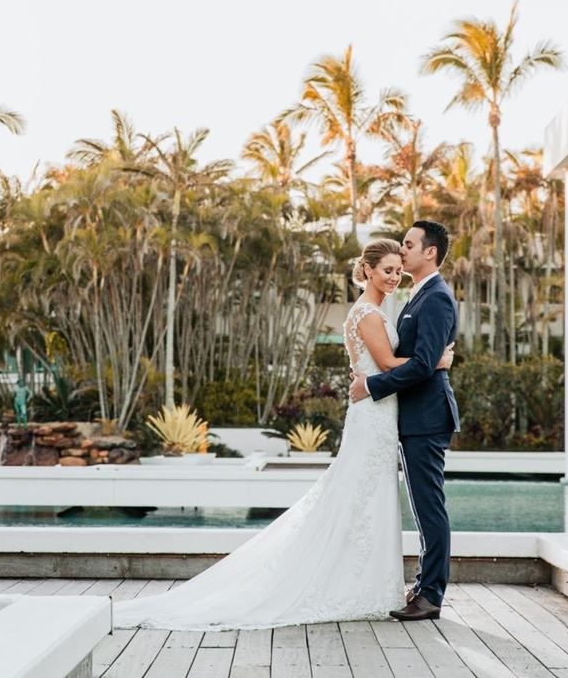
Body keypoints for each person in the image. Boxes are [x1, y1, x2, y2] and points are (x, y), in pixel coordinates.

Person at [113, 238, 453, 631]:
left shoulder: (373, 310)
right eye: (388, 270)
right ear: (369, 270)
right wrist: (437, 360)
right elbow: (390, 362)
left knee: (364, 500)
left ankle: (364, 582)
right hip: (373, 417)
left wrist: (384, 375)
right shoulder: (368, 314)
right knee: (360, 497)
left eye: (398, 269)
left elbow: (381, 366)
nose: (395, 277)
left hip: (377, 416)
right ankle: (355, 584)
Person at [349, 219, 459, 622]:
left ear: (429, 252)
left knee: (429, 508)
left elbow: (422, 366)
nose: (404, 249)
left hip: (427, 417)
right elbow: (424, 360)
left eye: (410, 244)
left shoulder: (436, 298)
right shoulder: (418, 296)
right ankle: (424, 584)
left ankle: (430, 595)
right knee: (423, 505)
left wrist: (373, 385)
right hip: (413, 417)